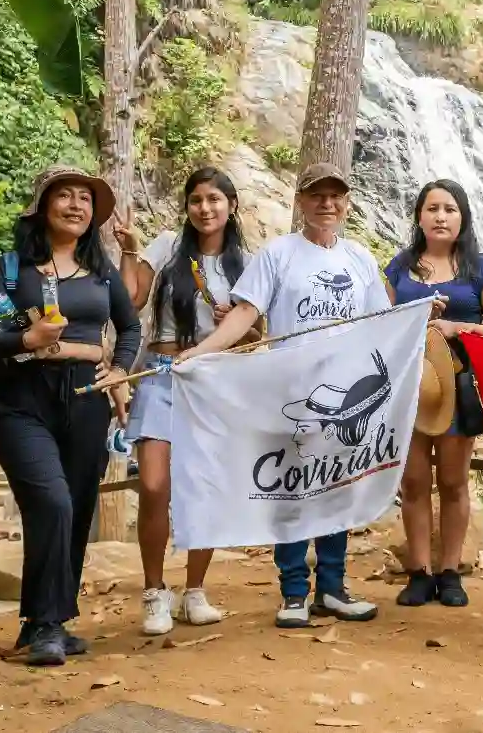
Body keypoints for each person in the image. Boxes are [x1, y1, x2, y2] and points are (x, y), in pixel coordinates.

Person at [179, 162, 391, 628]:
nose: (327, 204)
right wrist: (201, 350)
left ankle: (332, 589)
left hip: (344, 397)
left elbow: (384, 323)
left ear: (347, 202)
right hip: (291, 393)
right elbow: (243, 314)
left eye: (336, 196)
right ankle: (294, 592)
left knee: (336, 488)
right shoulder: (278, 255)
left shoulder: (359, 260)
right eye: (317, 195)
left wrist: (420, 320)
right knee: (293, 491)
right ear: (301, 202)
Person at [0, 165, 140, 666]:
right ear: (42, 206)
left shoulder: (102, 272)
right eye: (65, 195)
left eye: (85, 198)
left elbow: (128, 329)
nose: (77, 205)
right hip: (21, 399)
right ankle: (44, 623)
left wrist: (120, 370)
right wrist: (26, 339)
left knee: (78, 507)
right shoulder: (9, 271)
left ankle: (49, 620)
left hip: (85, 397)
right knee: (52, 502)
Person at [115, 166, 257, 636]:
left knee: (204, 487)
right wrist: (130, 249)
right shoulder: (166, 247)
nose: (205, 208)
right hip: (160, 375)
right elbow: (133, 300)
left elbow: (259, 335)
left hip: (214, 384)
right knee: (155, 485)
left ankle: (194, 589)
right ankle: (155, 591)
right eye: (196, 200)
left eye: (215, 199)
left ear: (231, 206)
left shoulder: (248, 265)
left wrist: (232, 322)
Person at [383, 179, 483, 608]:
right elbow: (377, 325)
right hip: (409, 384)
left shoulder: (480, 269)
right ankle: (419, 571)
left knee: (454, 481)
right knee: (415, 480)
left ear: (463, 217)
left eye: (450, 209)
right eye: (433, 208)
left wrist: (459, 327)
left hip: (457, 386)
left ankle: (451, 571)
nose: (441, 217)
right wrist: (414, 318)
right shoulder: (399, 269)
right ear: (419, 216)